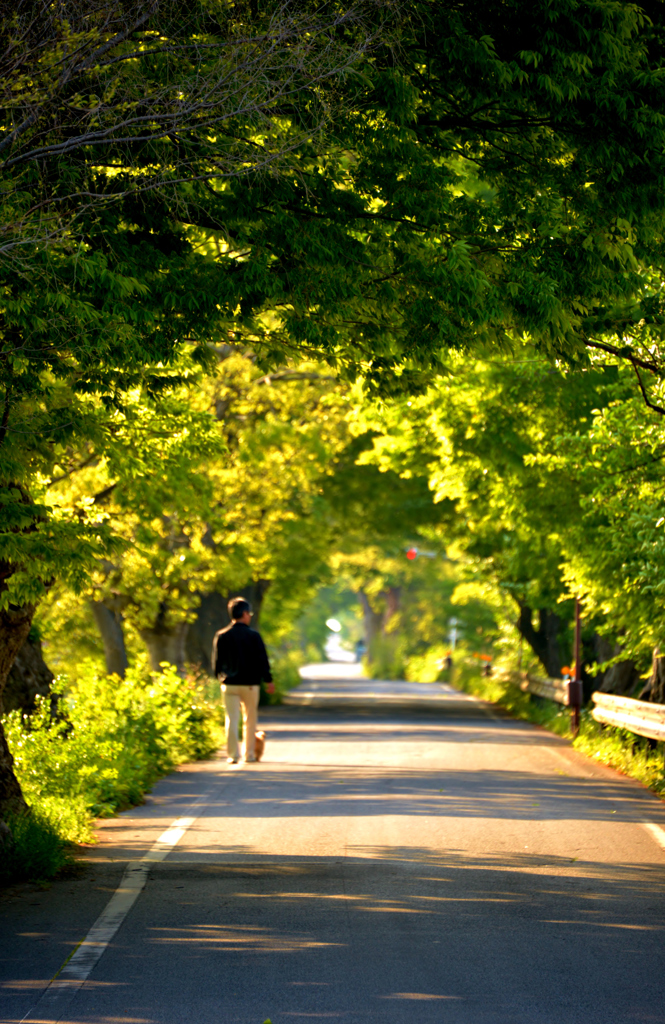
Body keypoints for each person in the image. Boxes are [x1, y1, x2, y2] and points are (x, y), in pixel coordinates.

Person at [212, 597, 275, 764]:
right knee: (250, 720)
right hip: (249, 684)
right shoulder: (253, 636)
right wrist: (268, 680)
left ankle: (232, 755)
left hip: (229, 684)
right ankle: (249, 755)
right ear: (245, 614)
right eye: (249, 613)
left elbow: (217, 662)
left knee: (231, 719)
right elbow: (263, 659)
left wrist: (218, 677)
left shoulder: (222, 636)